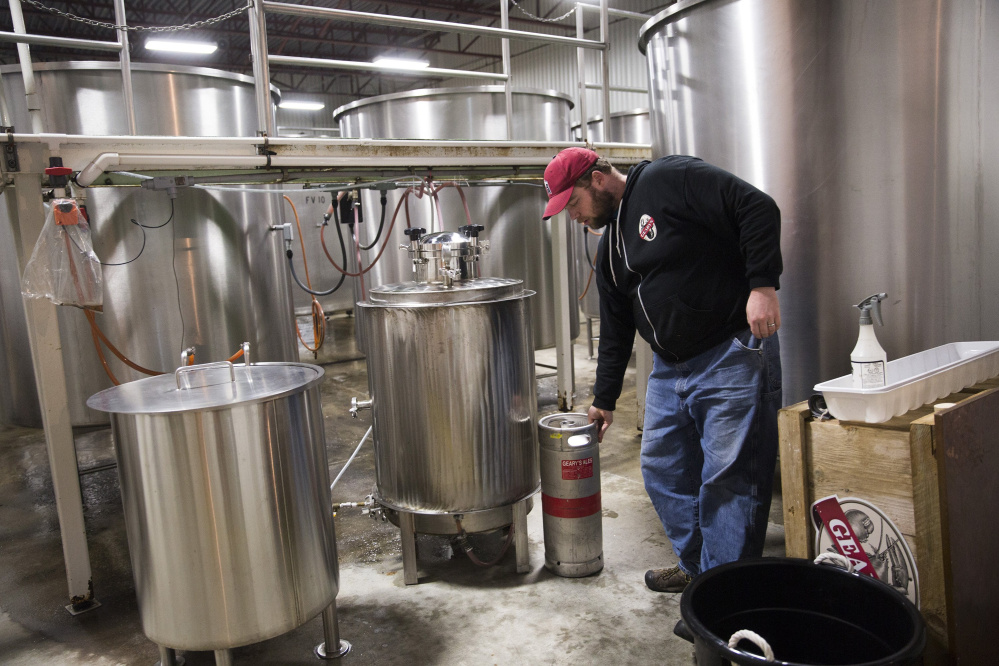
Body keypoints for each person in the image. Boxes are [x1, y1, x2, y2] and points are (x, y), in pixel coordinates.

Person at [542, 148, 783, 593]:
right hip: (671, 371)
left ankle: (719, 597)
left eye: (572, 204)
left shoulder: (668, 179)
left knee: (729, 483)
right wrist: (604, 398)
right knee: (662, 469)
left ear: (597, 179)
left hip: (728, 352)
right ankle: (699, 569)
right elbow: (615, 327)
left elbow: (756, 206)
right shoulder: (609, 245)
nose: (573, 217)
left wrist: (762, 285)